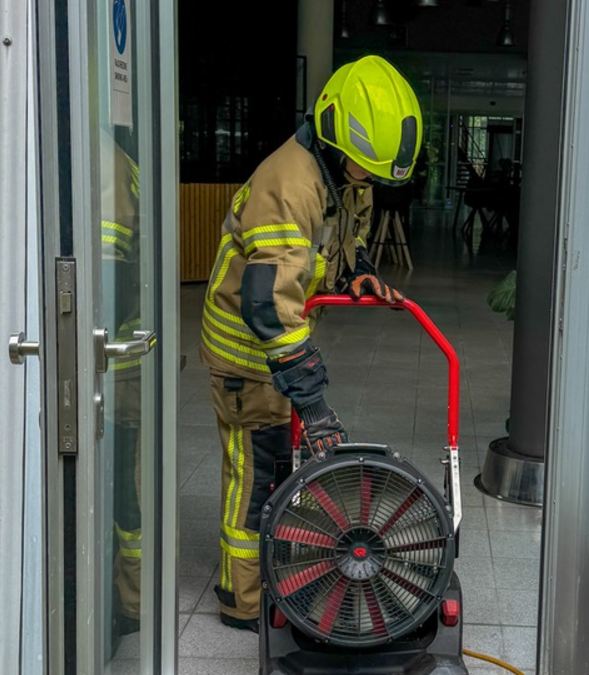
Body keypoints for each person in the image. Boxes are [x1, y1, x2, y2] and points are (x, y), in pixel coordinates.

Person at [198, 55, 423, 632]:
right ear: (331, 132)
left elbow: (346, 238)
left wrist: (359, 271)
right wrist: (314, 403)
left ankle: (274, 575)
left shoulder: (342, 175)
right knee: (255, 478)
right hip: (247, 356)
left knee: (279, 470)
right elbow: (267, 303)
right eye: (363, 168)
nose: (366, 179)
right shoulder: (290, 184)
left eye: (374, 174)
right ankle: (243, 601)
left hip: (272, 354)